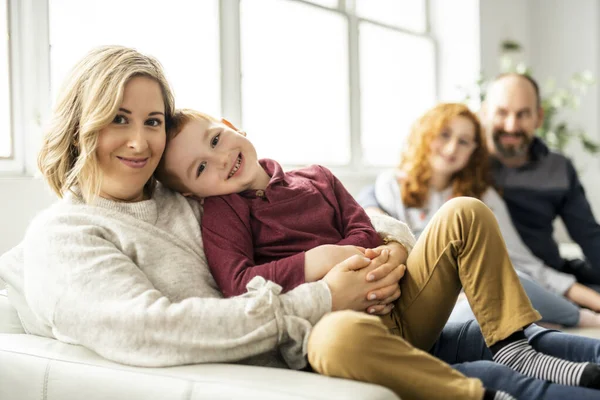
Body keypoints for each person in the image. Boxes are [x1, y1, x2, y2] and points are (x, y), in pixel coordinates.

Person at [1, 46, 600, 400]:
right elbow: (153, 330)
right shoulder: (69, 235)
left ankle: (521, 348)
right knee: (364, 339)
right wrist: (318, 294)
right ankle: (486, 386)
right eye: (118, 119)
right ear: (81, 121)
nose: (139, 141)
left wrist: (388, 247)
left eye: (152, 121)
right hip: (317, 341)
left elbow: (358, 219)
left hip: (378, 302)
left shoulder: (186, 191)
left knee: (474, 242)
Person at [154, 108, 600, 396]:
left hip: (404, 304)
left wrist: (384, 255)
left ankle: (512, 346)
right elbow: (238, 284)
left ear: (231, 126)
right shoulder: (224, 213)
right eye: (200, 169)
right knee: (333, 340)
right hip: (347, 329)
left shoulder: (317, 177)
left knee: (464, 210)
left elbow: (364, 228)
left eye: (215, 141)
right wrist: (320, 260)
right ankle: (474, 394)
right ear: (194, 192)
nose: (220, 160)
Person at [358, 102, 600, 327]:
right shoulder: (391, 185)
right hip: (417, 300)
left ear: (474, 151)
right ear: (426, 134)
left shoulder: (484, 197)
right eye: (444, 134)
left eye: (464, 142)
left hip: (475, 294)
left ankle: (577, 318)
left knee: (510, 279)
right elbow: (391, 253)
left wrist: (592, 303)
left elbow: (525, 264)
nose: (452, 148)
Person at [482, 73, 600, 286]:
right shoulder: (465, 164)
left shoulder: (559, 168)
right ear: (484, 113)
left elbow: (589, 236)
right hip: (491, 281)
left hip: (551, 277)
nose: (511, 126)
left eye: (523, 114)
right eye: (501, 112)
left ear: (539, 117)